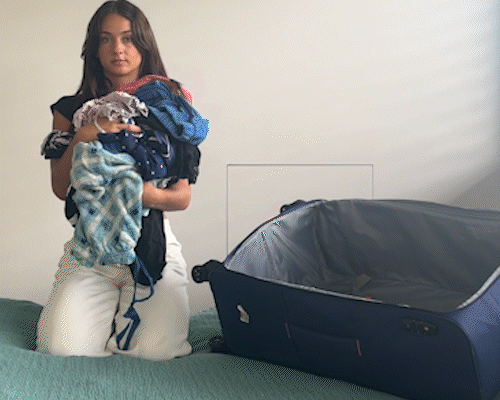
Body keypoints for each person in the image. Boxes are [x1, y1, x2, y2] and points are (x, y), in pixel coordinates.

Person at [37, 0, 202, 361]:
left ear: (144, 44)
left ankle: (124, 316)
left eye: (128, 38)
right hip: (91, 246)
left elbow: (182, 197)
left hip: (152, 243)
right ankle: (108, 313)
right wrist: (84, 136)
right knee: (61, 349)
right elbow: (60, 189)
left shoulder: (169, 106)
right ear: (94, 48)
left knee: (158, 352)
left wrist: (136, 195)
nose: (118, 49)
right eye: (106, 39)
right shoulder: (71, 110)